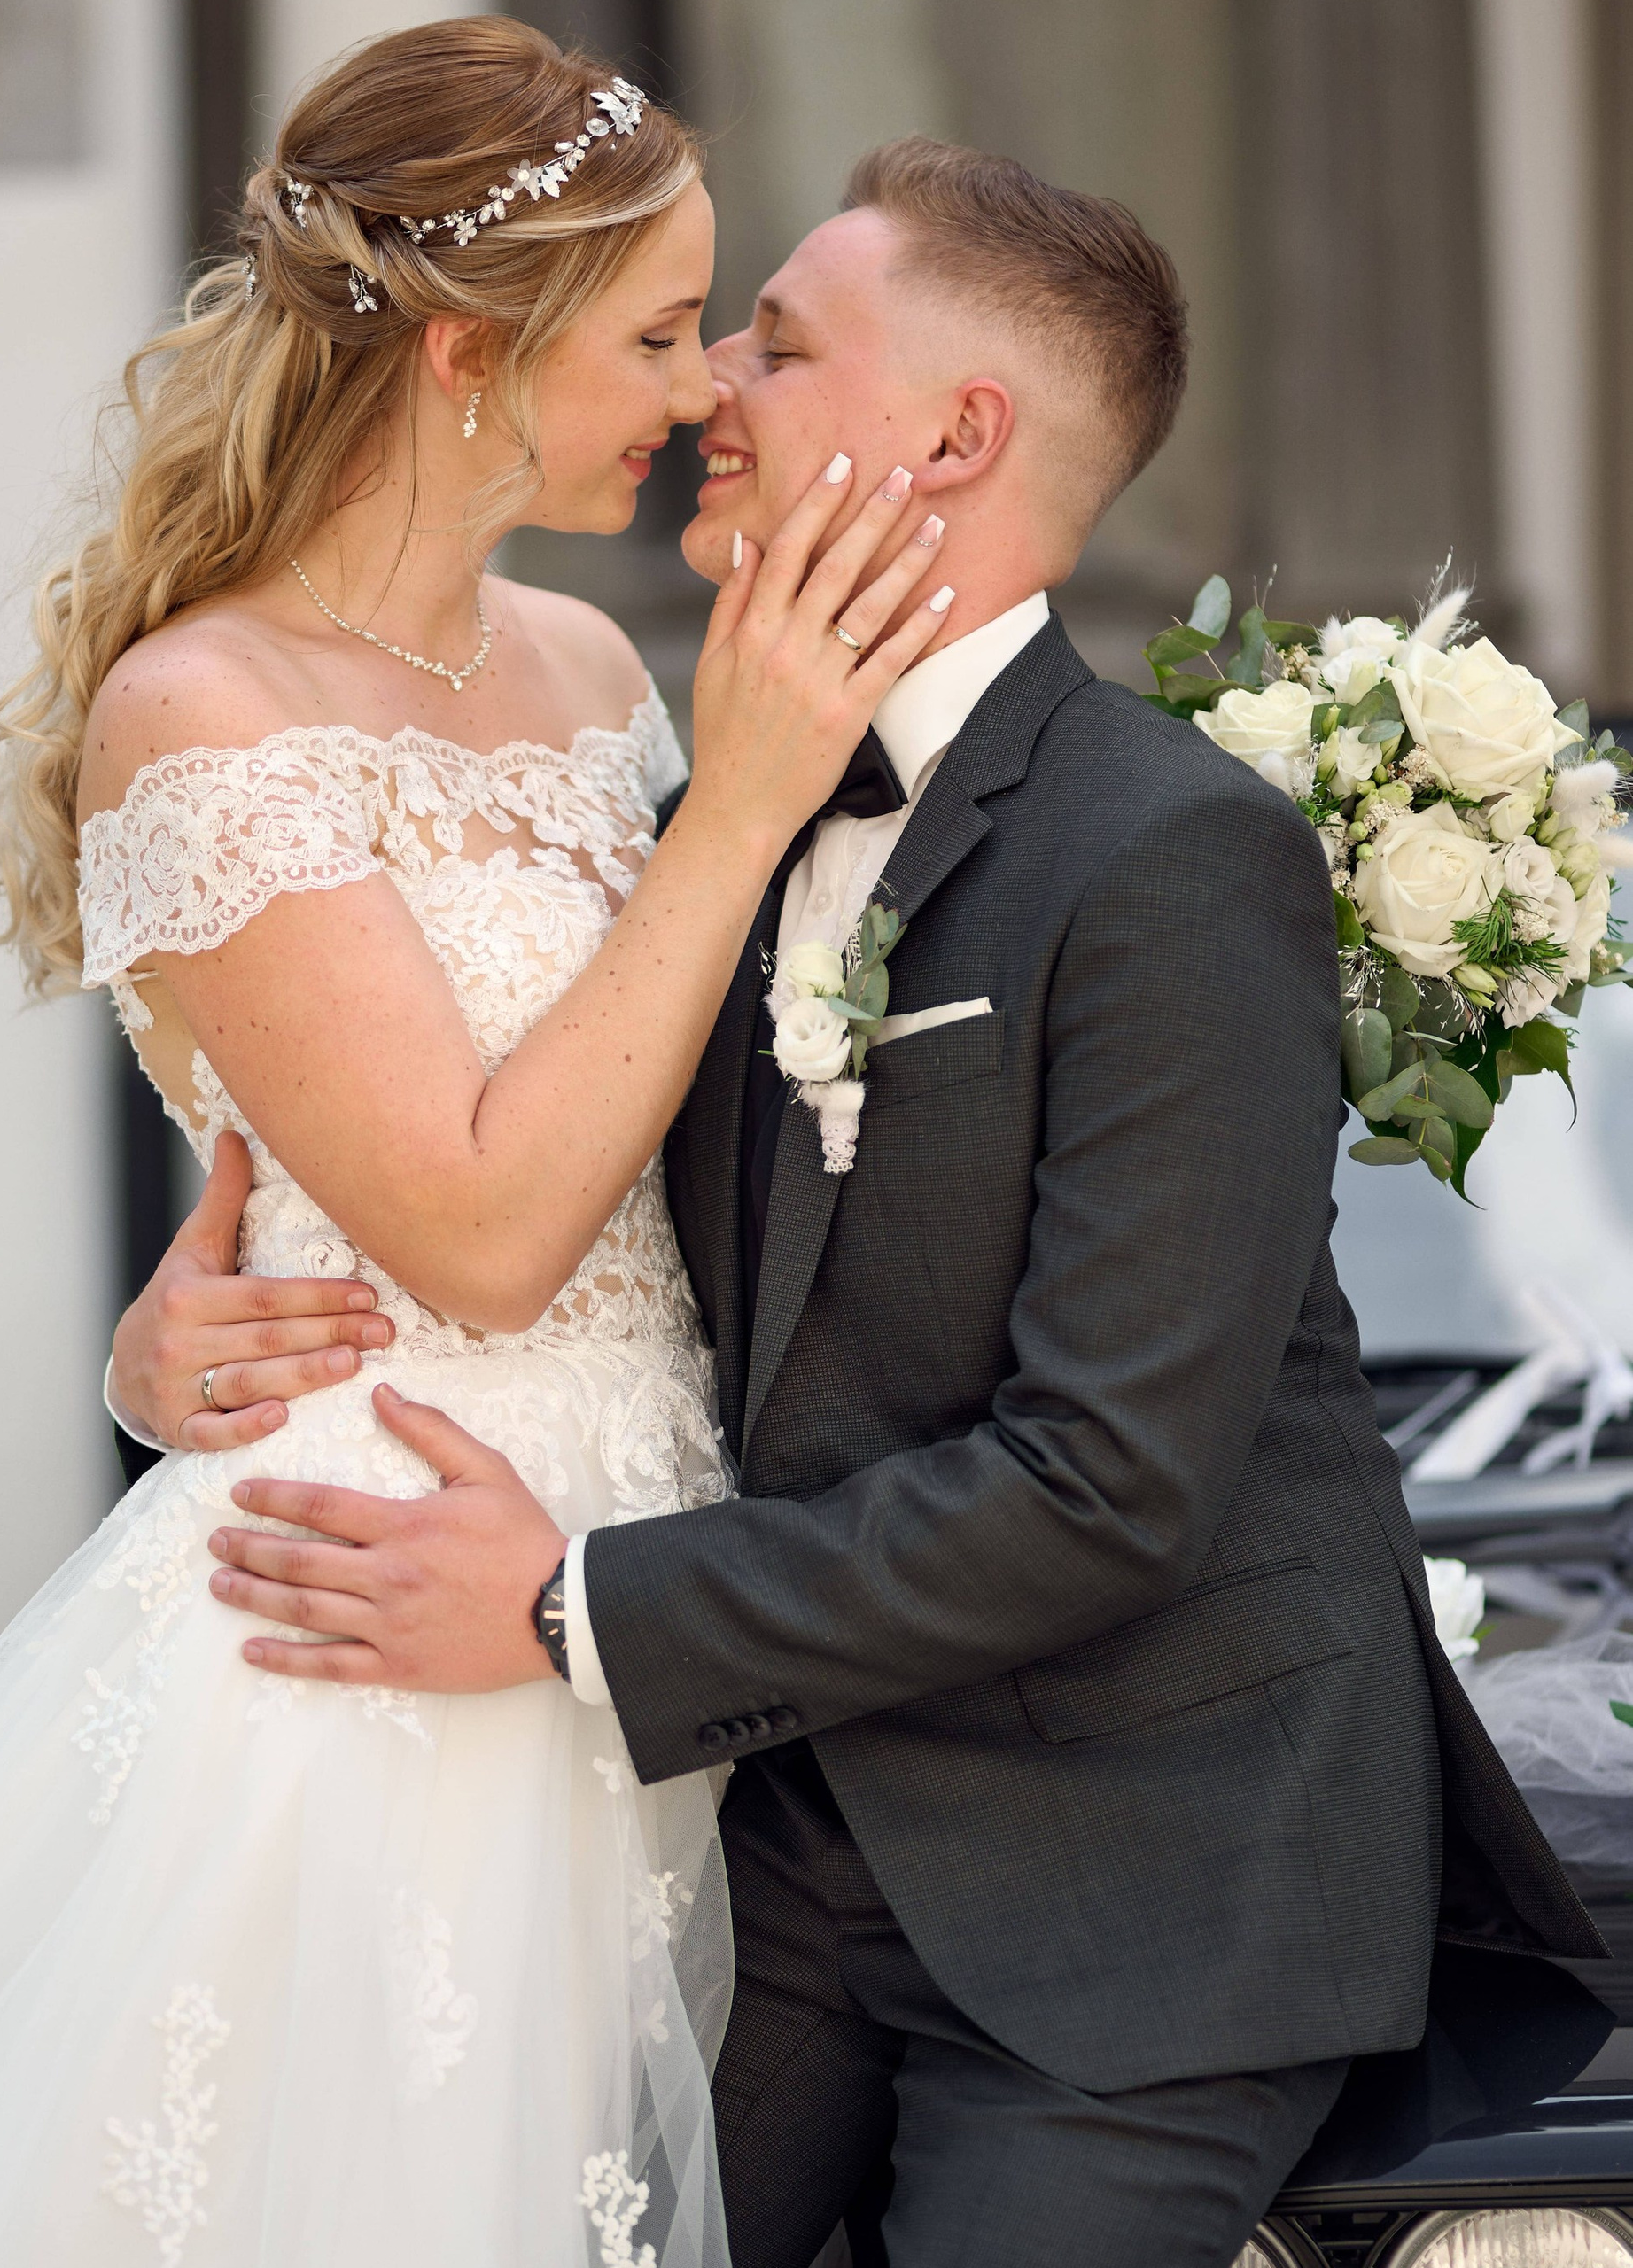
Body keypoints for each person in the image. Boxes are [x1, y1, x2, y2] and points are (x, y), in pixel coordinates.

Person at [0, 24, 968, 2268]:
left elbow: (670, 1127)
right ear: (463, 350)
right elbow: (484, 1227)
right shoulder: (205, 710)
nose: (707, 385)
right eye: (647, 333)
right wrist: (738, 805)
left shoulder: (589, 672)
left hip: (653, 1576)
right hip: (370, 1604)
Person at [107, 139, 1611, 2268]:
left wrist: (564, 1613)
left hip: (1141, 1887)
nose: (712, 374)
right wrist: (195, 1332)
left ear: (951, 434)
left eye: (776, 338)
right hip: (788, 1834)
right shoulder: (691, 805)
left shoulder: (1167, 851)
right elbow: (539, 1209)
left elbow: (1104, 1481)